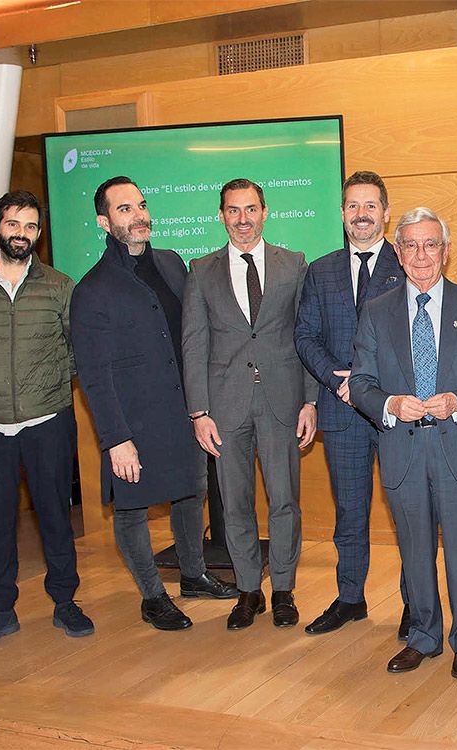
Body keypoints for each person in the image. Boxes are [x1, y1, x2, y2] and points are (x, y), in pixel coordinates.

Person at [71, 176, 237, 632]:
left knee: (191, 491)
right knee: (131, 507)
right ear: (105, 221)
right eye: (125, 209)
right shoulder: (92, 290)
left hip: (181, 412)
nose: (139, 215)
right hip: (133, 420)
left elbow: (192, 338)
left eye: (141, 205)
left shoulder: (171, 263)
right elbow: (95, 375)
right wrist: (116, 439)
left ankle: (193, 574)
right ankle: (151, 595)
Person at [351, 207, 457, 679]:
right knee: (414, 551)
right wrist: (391, 403)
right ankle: (423, 635)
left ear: (446, 251)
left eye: (431, 244)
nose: (422, 255)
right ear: (397, 254)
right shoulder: (376, 313)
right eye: (412, 246)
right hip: (402, 451)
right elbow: (361, 383)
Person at [182, 178, 318, 631]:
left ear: (265, 211)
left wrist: (310, 401)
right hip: (225, 407)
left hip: (282, 401)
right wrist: (199, 412)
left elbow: (305, 336)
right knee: (235, 505)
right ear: (221, 215)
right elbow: (194, 344)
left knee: (284, 502)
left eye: (251, 209)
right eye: (233, 211)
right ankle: (247, 591)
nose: (243, 219)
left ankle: (282, 590)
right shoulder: (200, 271)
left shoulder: (293, 265)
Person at [0, 190, 93, 649]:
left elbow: (78, 353)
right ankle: (0, 612)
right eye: (12, 224)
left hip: (48, 422)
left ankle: (65, 602)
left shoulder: (60, 287)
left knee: (55, 517)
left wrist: (49, 389)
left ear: (38, 235)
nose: (20, 233)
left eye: (30, 227)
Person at [295, 171, 409, 638]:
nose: (361, 214)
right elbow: (305, 336)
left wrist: (368, 384)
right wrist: (336, 379)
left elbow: (416, 337)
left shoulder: (408, 263)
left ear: (385, 212)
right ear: (342, 214)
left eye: (370, 206)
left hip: (395, 411)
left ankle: (415, 604)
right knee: (349, 514)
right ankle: (350, 598)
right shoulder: (320, 271)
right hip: (341, 412)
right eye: (352, 206)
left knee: (407, 512)